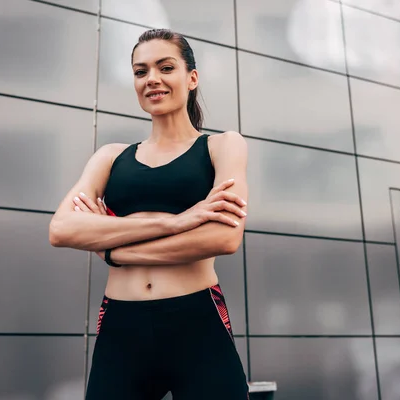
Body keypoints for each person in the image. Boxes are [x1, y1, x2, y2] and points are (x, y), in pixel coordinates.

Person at [48, 28, 250, 399]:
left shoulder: (223, 146)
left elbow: (223, 236)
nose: (152, 79)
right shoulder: (111, 157)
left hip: (197, 323)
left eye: (165, 67)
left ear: (191, 78)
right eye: (141, 72)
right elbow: (62, 228)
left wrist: (114, 249)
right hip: (122, 328)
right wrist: (177, 221)